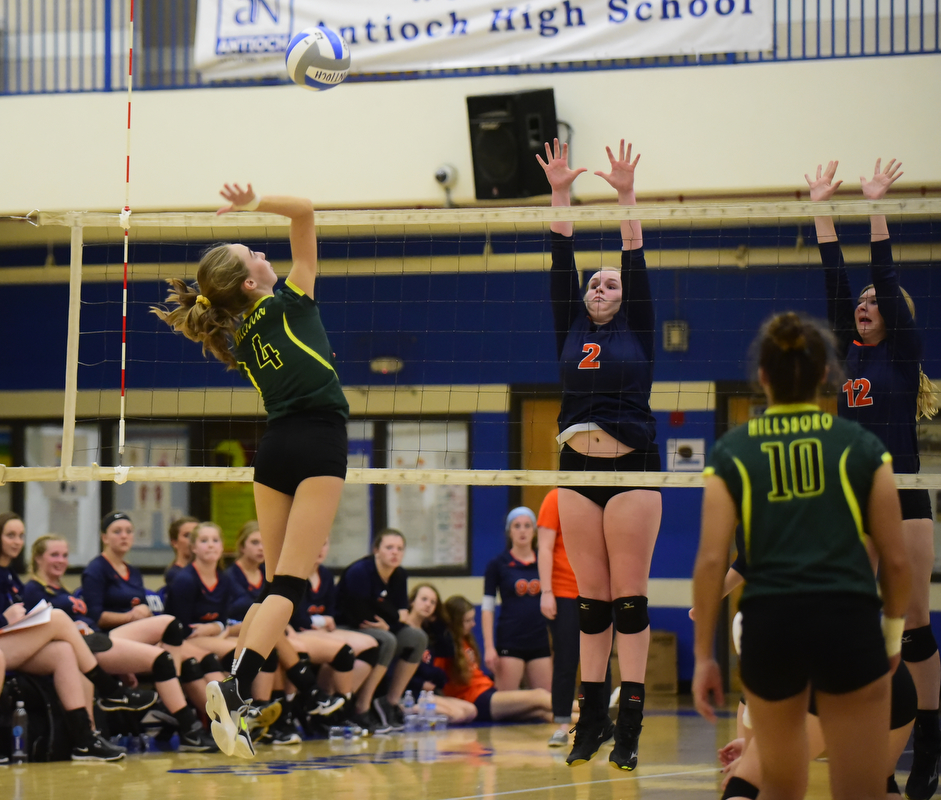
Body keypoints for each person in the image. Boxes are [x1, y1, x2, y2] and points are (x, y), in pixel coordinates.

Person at [152, 183, 349, 759]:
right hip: (317, 442)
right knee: (291, 584)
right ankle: (234, 688)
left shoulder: (240, 331)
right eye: (255, 255)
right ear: (249, 282)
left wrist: (247, 213)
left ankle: (235, 696)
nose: (266, 255)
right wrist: (255, 200)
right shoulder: (290, 301)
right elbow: (307, 212)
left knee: (274, 587)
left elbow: (299, 222)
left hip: (276, 448)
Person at [692, 311, 911, 800]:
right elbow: (897, 563)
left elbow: (710, 563)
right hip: (847, 622)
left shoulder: (732, 451)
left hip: (773, 626)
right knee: (860, 791)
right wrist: (892, 639)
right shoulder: (863, 446)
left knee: (780, 787)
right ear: (827, 375)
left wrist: (704, 656)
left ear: (763, 376)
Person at [806, 158, 941, 800]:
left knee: (913, 627)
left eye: (873, 302)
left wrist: (876, 205)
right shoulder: (848, 348)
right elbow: (838, 276)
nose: (864, 305)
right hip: (854, 501)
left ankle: (932, 745)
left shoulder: (903, 349)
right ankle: (877, 748)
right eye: (859, 304)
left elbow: (880, 274)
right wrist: (820, 206)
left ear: (893, 314)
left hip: (906, 494)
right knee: (863, 628)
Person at [536, 138, 662, 770]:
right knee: (591, 602)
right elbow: (561, 259)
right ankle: (590, 723)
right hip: (576, 469)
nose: (601, 286)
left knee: (628, 600)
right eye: (595, 282)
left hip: (634, 465)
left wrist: (625, 196)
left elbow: (633, 259)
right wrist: (561, 193)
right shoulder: (572, 325)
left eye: (611, 282)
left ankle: (631, 724)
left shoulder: (637, 327)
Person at [24, 534, 217, 751]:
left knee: (170, 624)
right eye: (54, 555)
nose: (61, 560)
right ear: (38, 558)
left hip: (98, 639)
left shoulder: (61, 589)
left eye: (65, 555)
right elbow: (40, 631)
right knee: (161, 660)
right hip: (84, 647)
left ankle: (170, 701)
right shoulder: (33, 590)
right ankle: (189, 728)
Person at [334, 529, 428, 734]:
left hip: (379, 627)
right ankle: (362, 706)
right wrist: (391, 623)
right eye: (389, 548)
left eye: (399, 549)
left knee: (417, 637)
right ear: (376, 550)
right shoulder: (360, 572)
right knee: (386, 640)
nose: (395, 553)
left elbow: (403, 615)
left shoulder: (399, 575)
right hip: (347, 626)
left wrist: (390, 623)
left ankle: (390, 702)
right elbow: (360, 617)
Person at [537, 488, 610, 748]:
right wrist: (546, 591)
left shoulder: (600, 496)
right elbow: (544, 547)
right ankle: (562, 724)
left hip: (596, 592)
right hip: (564, 593)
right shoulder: (555, 498)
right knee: (566, 660)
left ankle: (601, 723)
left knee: (601, 662)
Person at [437, 595, 554, 724]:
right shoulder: (446, 647)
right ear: (455, 622)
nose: (473, 624)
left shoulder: (465, 641)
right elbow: (438, 680)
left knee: (541, 711)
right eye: (468, 621)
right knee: (538, 696)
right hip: (477, 699)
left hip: (486, 692)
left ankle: (578, 722)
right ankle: (580, 710)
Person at [481, 506, 552, 696]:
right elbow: (487, 608)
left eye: (527, 526)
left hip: (539, 640)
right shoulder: (497, 564)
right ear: (509, 531)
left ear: (535, 531)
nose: (522, 530)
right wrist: (489, 647)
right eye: (517, 526)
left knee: (547, 702)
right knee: (507, 703)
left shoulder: (545, 562)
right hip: (510, 641)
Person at [403, 583, 477, 725]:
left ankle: (419, 713)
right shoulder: (403, 630)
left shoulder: (429, 632)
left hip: (426, 693)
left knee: (471, 710)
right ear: (412, 601)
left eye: (433, 602)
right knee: (457, 714)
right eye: (424, 599)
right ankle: (402, 710)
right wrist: (420, 683)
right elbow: (393, 672)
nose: (428, 605)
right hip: (408, 692)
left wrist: (436, 620)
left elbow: (448, 649)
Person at [165, 516, 198, 586]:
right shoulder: (175, 575)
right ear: (174, 542)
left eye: (196, 535)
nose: (193, 540)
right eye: (187, 535)